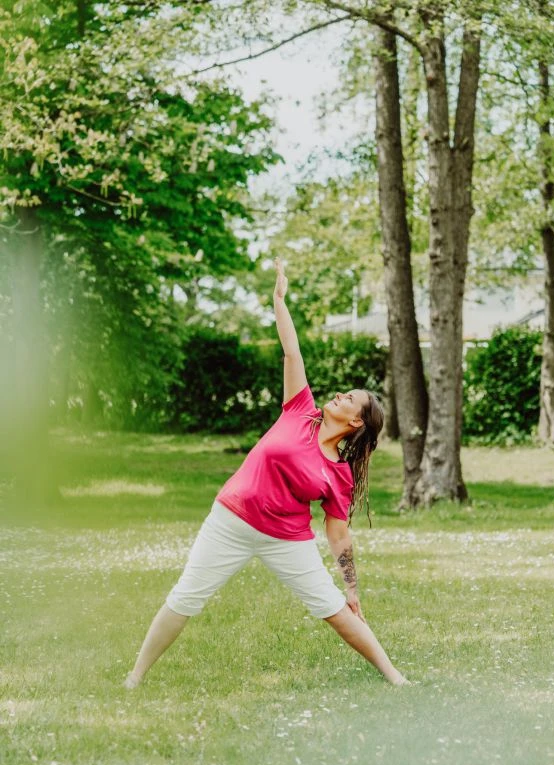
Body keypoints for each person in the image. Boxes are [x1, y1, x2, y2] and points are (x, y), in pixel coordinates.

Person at [124, 259, 409, 689]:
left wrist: (352, 588)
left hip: (285, 540)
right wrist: (279, 300)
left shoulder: (340, 475)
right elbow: (291, 350)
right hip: (230, 521)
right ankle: (135, 678)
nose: (338, 395)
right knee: (186, 596)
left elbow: (338, 535)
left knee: (334, 610)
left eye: (348, 398)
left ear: (356, 422)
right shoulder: (300, 410)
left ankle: (394, 677)